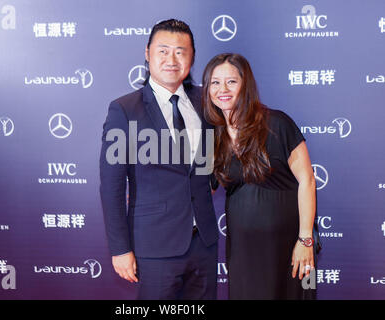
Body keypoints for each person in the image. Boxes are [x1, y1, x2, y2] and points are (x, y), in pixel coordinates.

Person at [99, 19, 219, 300]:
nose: (172, 59)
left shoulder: (206, 102)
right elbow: (112, 186)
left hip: (204, 243)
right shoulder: (124, 110)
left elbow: (211, 163)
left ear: (192, 57)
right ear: (147, 53)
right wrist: (120, 248)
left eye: (181, 51)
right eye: (163, 50)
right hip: (154, 246)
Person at [202, 53, 317, 299]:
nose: (222, 89)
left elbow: (307, 179)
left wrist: (305, 240)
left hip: (291, 245)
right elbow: (202, 189)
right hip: (243, 251)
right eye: (215, 82)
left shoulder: (277, 123)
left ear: (246, 85)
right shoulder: (213, 137)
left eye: (231, 81)